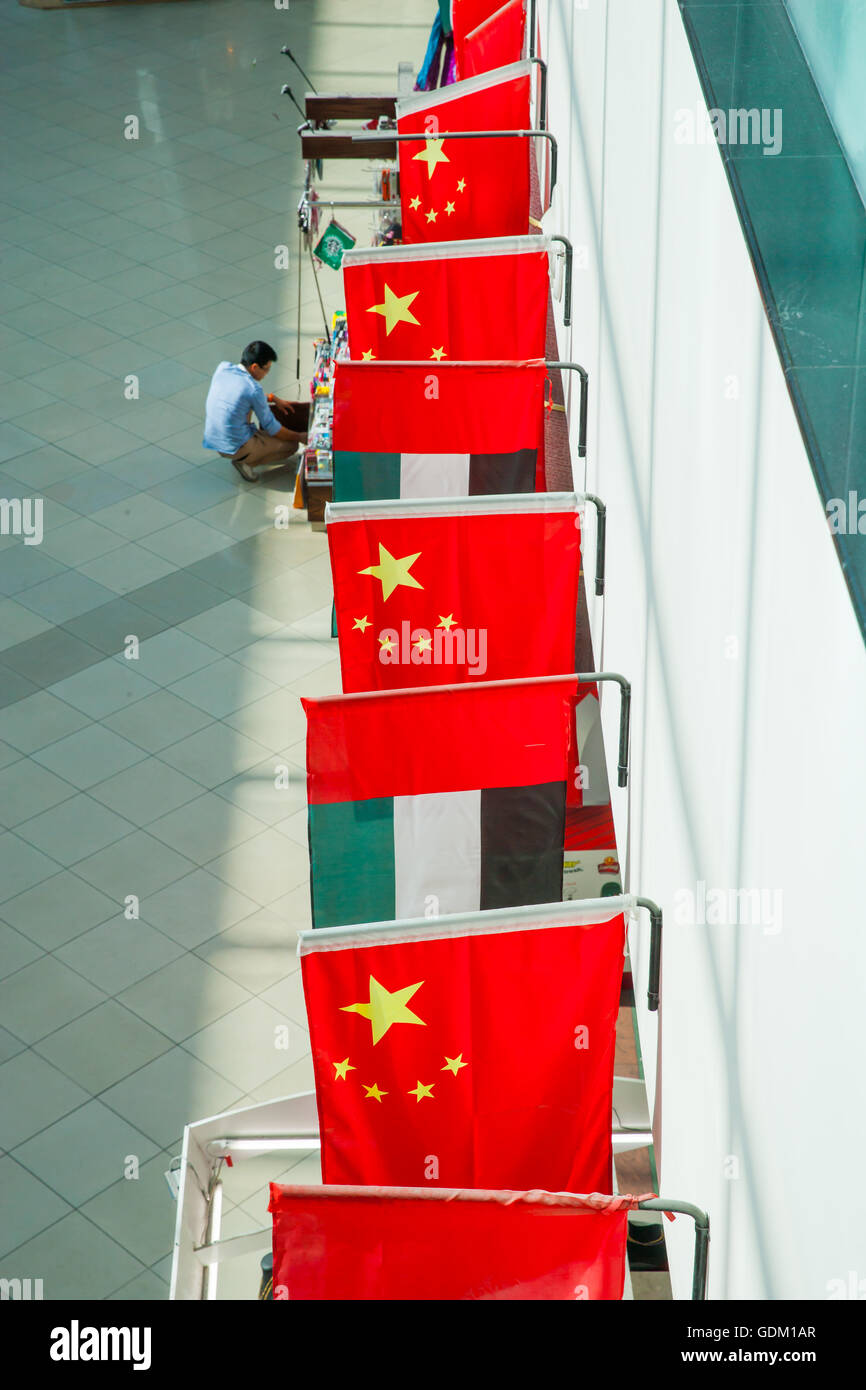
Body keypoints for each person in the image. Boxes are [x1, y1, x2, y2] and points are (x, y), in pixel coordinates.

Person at [203, 341, 309, 482]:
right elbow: (273, 427)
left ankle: (249, 453)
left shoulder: (223, 368)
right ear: (254, 367)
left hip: (214, 439)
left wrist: (271, 398)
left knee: (247, 410)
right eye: (266, 369)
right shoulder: (254, 389)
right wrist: (300, 436)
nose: (266, 374)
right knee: (290, 446)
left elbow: (240, 395)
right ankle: (245, 461)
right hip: (236, 445)